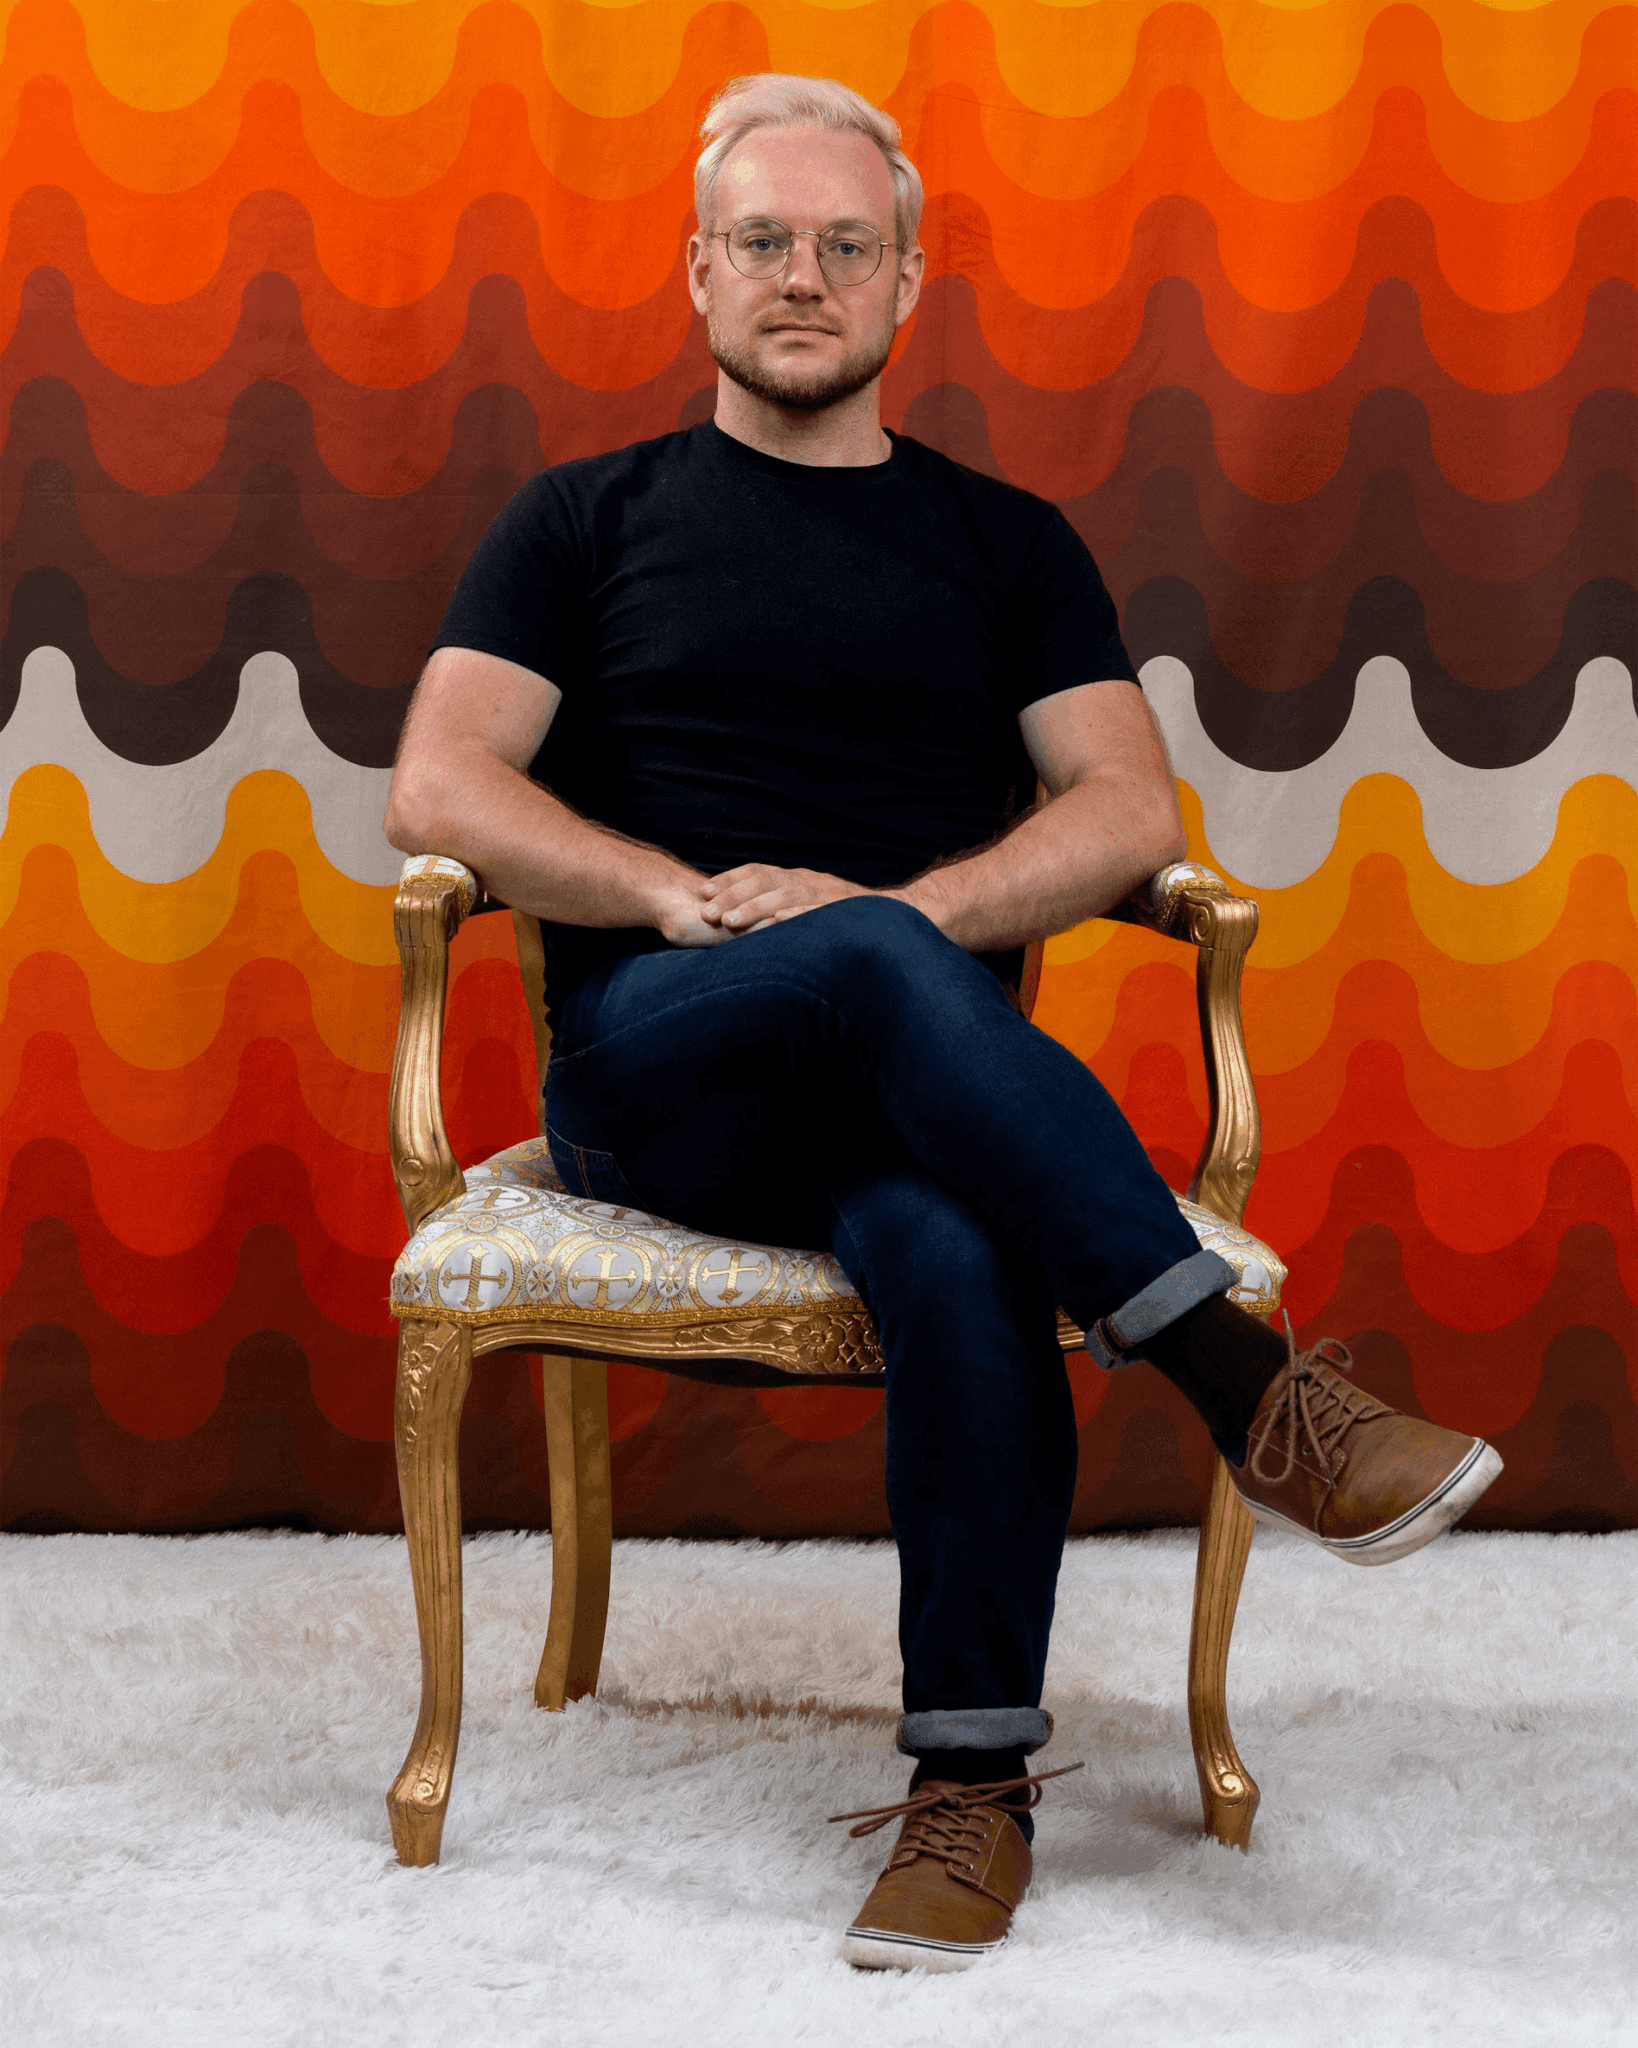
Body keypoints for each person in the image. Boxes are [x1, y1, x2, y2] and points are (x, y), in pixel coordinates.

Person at [385, 73, 1502, 1973]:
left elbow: (1127, 812)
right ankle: (1248, 1390)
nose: (801, 276)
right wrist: (670, 893)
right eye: (761, 241)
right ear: (697, 271)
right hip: (662, 1069)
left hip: (933, 1103)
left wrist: (903, 917)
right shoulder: (579, 520)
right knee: (859, 961)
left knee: (952, 1233)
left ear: (908, 282)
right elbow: (440, 786)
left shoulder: (1008, 543)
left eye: (846, 245)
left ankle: (970, 1793)